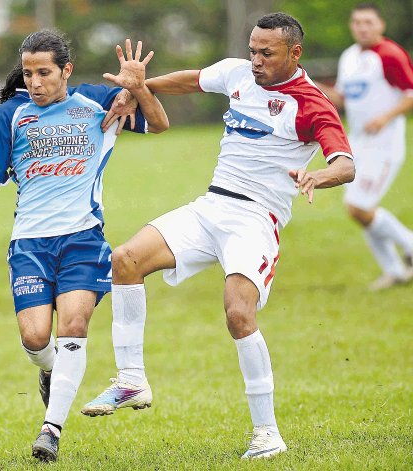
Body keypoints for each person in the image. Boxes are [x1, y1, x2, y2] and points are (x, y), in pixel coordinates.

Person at [81, 12, 355, 459]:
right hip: (210, 207)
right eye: (252, 50)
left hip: (255, 220)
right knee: (125, 259)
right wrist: (140, 87)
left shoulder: (311, 103)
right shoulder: (237, 73)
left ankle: (267, 434)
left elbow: (346, 164)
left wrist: (319, 177)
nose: (256, 60)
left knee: (237, 313)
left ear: (295, 53)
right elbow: (193, 81)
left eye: (267, 53)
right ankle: (131, 381)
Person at [0, 30, 169, 462]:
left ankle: (50, 430)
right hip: (30, 244)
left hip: (83, 239)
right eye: (29, 73)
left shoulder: (97, 102)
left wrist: (138, 87)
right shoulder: (10, 116)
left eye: (44, 73)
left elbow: (159, 124)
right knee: (36, 338)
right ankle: (50, 370)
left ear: (66, 71)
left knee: (73, 326)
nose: (34, 82)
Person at [315, 3, 413, 291]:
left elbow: (410, 93)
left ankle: (408, 246)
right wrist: (312, 85)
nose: (362, 27)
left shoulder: (389, 55)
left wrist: (384, 117)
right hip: (356, 144)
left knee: (358, 207)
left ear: (380, 25)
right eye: (357, 22)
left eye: (368, 22)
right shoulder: (350, 57)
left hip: (384, 145)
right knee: (360, 208)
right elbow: (343, 98)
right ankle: (394, 270)